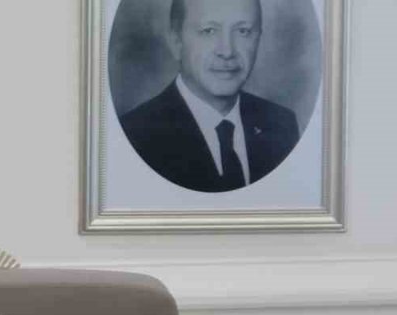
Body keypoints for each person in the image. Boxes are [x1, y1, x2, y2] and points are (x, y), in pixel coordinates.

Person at [119, 0, 300, 193]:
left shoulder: (282, 125)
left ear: (258, 39)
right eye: (209, 31)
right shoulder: (136, 135)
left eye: (243, 31)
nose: (227, 51)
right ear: (176, 42)